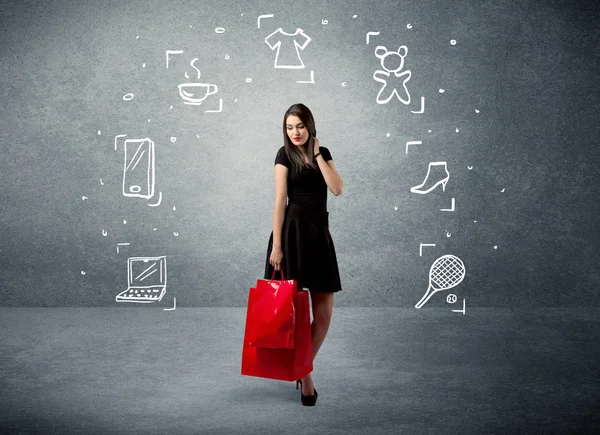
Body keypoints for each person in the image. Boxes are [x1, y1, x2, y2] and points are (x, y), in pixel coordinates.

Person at [263, 103, 344, 406]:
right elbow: (279, 199)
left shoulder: (323, 153)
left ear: (310, 126)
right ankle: (306, 376)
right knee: (296, 316)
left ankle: (300, 368)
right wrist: (277, 247)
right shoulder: (283, 155)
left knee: (322, 317)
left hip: (319, 237)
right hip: (292, 235)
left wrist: (318, 154)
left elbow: (337, 189)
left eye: (299, 126)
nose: (294, 132)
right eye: (289, 127)